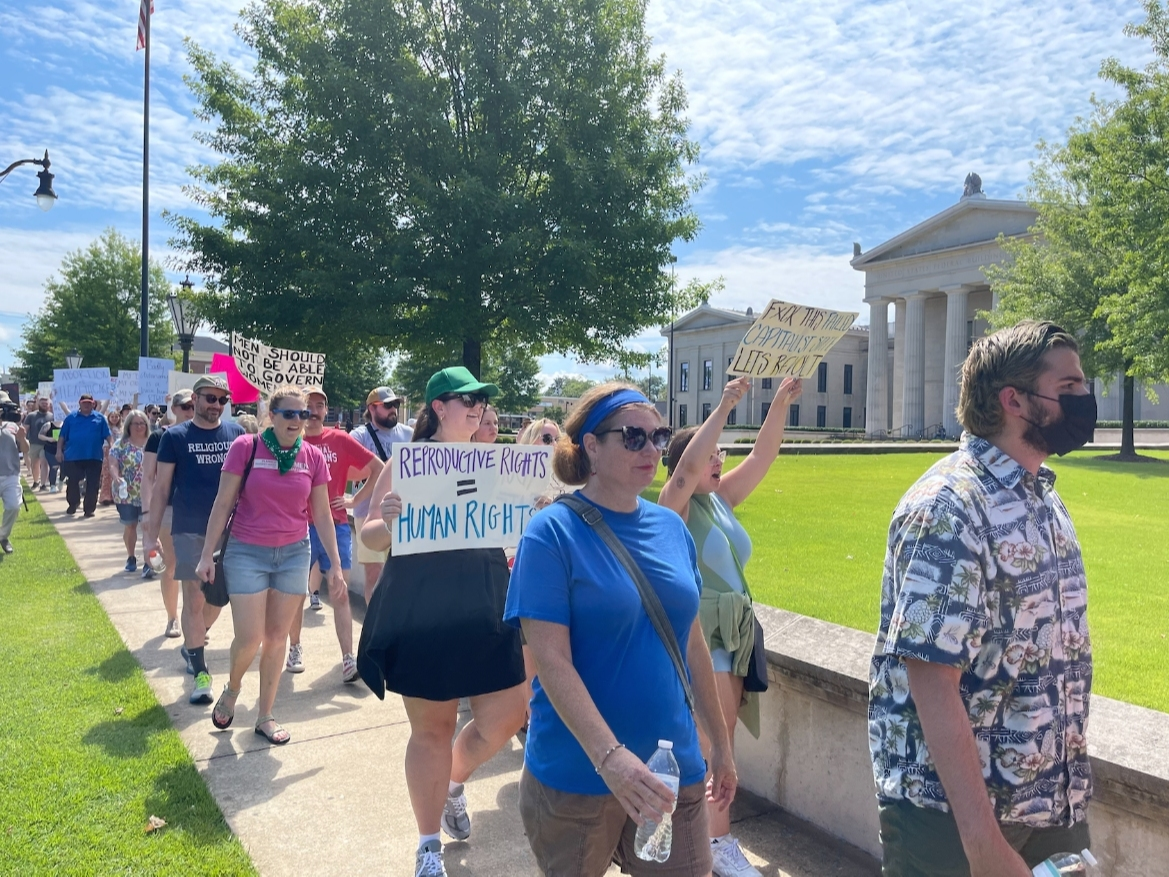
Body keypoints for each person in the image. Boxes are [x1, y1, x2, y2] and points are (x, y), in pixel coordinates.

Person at [869, 321, 1096, 877]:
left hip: (1049, 804)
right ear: (1014, 400)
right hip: (952, 821)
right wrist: (984, 845)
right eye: (1068, 388)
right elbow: (931, 677)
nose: (1085, 399)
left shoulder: (1043, 498)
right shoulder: (950, 505)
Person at [504, 382, 737, 877]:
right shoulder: (550, 533)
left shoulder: (671, 528)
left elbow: (691, 642)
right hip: (576, 776)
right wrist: (610, 758)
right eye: (633, 437)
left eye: (658, 437)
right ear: (591, 445)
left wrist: (720, 743)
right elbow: (551, 660)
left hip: (673, 771)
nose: (651, 449)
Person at [357, 367, 527, 877]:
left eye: (482, 401)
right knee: (431, 730)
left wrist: (535, 508)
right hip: (424, 605)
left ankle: (452, 781)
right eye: (467, 399)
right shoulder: (406, 463)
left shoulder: (496, 462)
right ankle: (428, 846)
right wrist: (386, 519)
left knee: (508, 714)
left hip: (485, 599)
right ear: (438, 407)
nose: (477, 407)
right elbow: (368, 537)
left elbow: (518, 525)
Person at [658, 375, 801, 877]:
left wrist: (779, 402)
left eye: (721, 453)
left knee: (721, 743)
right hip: (705, 636)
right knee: (712, 744)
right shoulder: (670, 511)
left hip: (735, 635)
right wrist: (723, 404)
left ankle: (708, 836)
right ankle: (715, 842)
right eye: (710, 454)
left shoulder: (720, 500)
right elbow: (685, 473)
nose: (719, 460)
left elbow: (763, 457)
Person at [195, 386, 340, 744]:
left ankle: (265, 715)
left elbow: (321, 513)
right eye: (288, 414)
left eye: (302, 414)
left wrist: (334, 563)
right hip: (247, 552)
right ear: (271, 416)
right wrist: (206, 554)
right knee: (250, 638)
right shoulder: (246, 448)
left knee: (277, 638)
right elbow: (222, 503)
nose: (296, 421)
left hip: (294, 553)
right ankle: (232, 686)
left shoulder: (312, 457)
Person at [145, 377, 244, 704]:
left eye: (221, 400)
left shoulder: (237, 434)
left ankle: (194, 640)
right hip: (189, 529)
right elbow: (160, 489)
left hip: (231, 531)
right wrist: (150, 536)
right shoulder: (174, 437)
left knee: (217, 599)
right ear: (195, 399)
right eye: (209, 398)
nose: (215, 405)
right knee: (193, 596)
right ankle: (201, 671)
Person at [286, 386, 383, 681]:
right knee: (295, 593)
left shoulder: (338, 439)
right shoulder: (289, 441)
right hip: (297, 525)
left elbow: (378, 468)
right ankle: (295, 647)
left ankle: (348, 659)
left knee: (339, 591)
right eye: (309, 405)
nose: (314, 411)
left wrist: (355, 500)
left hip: (336, 523)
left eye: (320, 405)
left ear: (326, 411)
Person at [350, 387, 413, 602]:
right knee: (374, 574)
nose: (393, 409)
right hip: (368, 514)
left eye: (395, 404)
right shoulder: (358, 437)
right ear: (372, 408)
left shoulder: (409, 434)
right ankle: (373, 625)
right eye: (387, 405)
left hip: (403, 514)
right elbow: (350, 473)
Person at [141, 389, 194, 640]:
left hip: (198, 510)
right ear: (173, 409)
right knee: (170, 566)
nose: (190, 411)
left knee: (198, 570)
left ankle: (195, 620)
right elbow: (148, 478)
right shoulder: (159, 437)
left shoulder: (208, 435)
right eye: (184, 406)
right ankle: (173, 618)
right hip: (170, 509)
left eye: (193, 406)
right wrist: (147, 512)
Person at [108, 410, 151, 573]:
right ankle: (131, 556)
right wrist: (116, 477)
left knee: (149, 527)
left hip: (148, 493)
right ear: (128, 426)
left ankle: (149, 563)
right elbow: (112, 463)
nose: (140, 427)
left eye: (143, 423)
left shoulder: (154, 443)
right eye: (136, 423)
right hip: (126, 493)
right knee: (131, 526)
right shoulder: (120, 444)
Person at [56, 393, 111, 518]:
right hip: (73, 456)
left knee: (93, 483)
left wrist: (113, 447)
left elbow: (108, 435)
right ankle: (73, 503)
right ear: (79, 404)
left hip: (94, 456)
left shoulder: (100, 418)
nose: (86, 405)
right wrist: (59, 451)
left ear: (93, 404)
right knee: (73, 481)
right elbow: (62, 436)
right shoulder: (70, 418)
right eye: (84, 403)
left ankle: (89, 509)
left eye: (89, 403)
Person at [0, 393, 28, 555]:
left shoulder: (13, 426)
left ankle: (3, 536)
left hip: (11, 475)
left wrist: (22, 439)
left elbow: (26, 450)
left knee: (13, 507)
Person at [23, 396, 52, 491]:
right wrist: (23, 440)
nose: (44, 405)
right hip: (34, 443)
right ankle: (36, 481)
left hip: (47, 444)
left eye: (46, 404)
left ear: (49, 405)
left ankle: (43, 484)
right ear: (38, 404)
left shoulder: (52, 416)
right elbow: (25, 429)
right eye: (42, 403)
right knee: (35, 464)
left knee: (44, 463)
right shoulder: (31, 416)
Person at [98, 409, 123, 506]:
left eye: (116, 417)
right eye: (112, 417)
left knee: (117, 473)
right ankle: (105, 496)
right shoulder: (105, 427)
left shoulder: (122, 427)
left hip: (119, 451)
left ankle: (116, 496)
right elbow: (101, 413)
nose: (114, 419)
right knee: (107, 473)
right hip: (107, 449)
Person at [38, 415, 62, 494]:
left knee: (65, 467)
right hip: (50, 449)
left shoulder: (66, 424)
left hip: (63, 449)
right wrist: (49, 439)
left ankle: (61, 480)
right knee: (54, 467)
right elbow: (40, 435)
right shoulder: (48, 425)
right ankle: (53, 485)